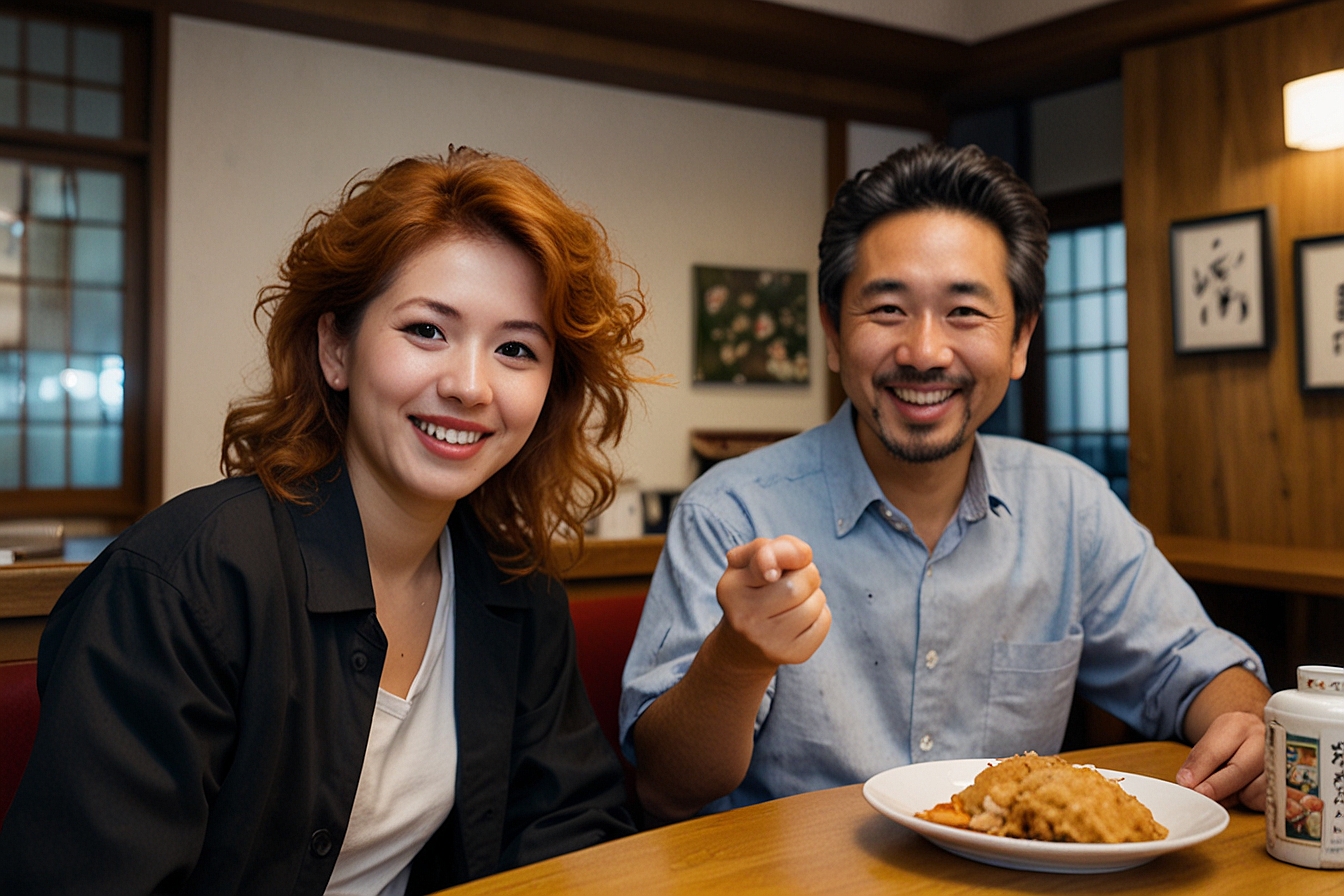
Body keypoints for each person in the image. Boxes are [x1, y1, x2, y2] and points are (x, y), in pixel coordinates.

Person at [0, 148, 649, 894]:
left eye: (514, 349)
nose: (470, 386)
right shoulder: (189, 582)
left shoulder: (513, 588)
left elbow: (566, 833)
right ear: (335, 347)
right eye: (427, 331)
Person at [620, 143, 1270, 822]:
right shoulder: (730, 511)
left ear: (1020, 340)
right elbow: (667, 782)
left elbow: (1193, 667)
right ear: (833, 332)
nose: (925, 352)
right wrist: (738, 657)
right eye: (888, 310)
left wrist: (1246, 724)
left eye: (964, 312)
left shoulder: (1069, 504)